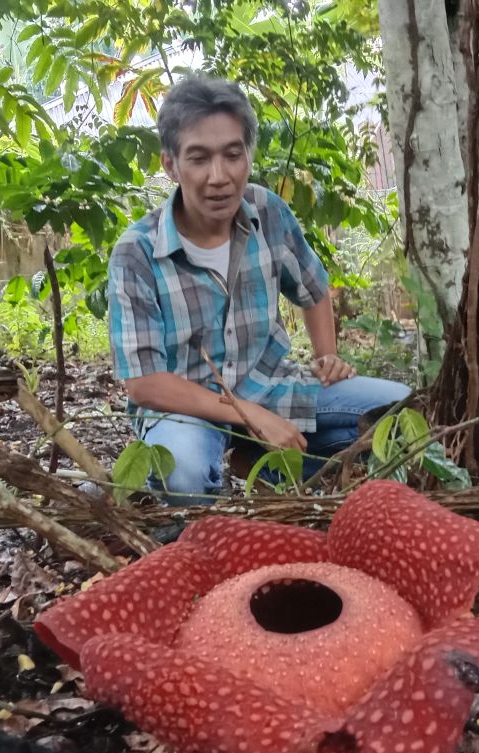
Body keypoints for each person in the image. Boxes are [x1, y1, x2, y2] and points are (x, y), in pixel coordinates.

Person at [107, 74, 410, 505]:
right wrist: (249, 414)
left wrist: (327, 355)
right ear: (170, 165)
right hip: (185, 409)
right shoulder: (136, 253)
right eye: (199, 158)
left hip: (270, 383)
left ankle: (256, 460)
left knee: (401, 412)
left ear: (249, 153)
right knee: (186, 475)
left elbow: (314, 287)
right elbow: (144, 383)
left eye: (233, 154)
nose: (219, 176)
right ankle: (240, 464)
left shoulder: (267, 211)